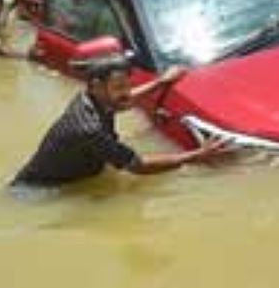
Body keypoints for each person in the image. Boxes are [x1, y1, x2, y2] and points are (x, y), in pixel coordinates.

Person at [12, 43, 226, 189]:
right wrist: (195, 156)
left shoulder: (92, 98)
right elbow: (138, 166)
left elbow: (123, 100)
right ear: (97, 86)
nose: (126, 92)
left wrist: (161, 82)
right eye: (118, 87)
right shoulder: (89, 128)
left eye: (127, 85)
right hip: (42, 192)